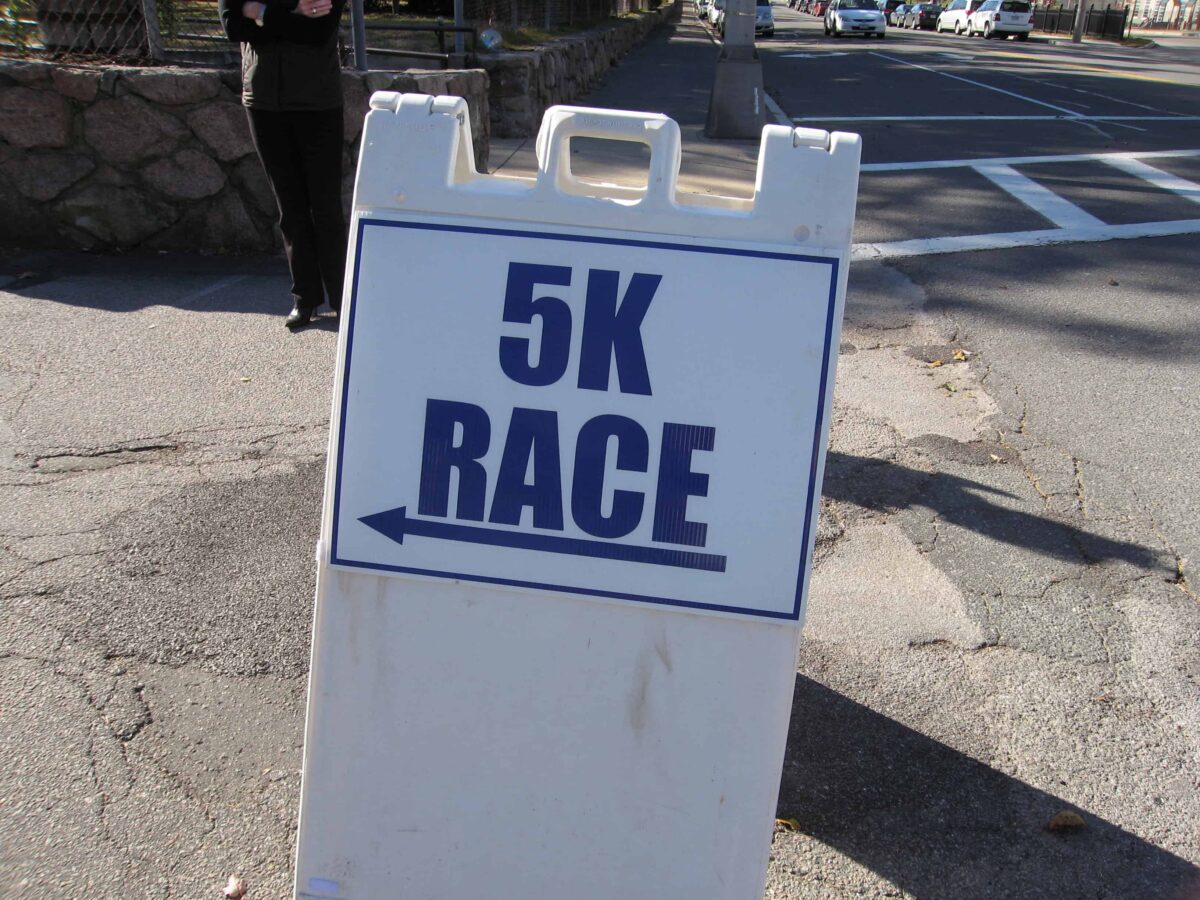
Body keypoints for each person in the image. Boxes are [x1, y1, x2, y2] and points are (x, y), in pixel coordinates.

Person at [218, 0, 349, 330]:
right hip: (262, 102)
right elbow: (233, 25)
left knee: (325, 207)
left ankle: (343, 298)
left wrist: (259, 12)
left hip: (317, 101)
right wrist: (291, 11)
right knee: (290, 208)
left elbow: (317, 31)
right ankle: (305, 299)